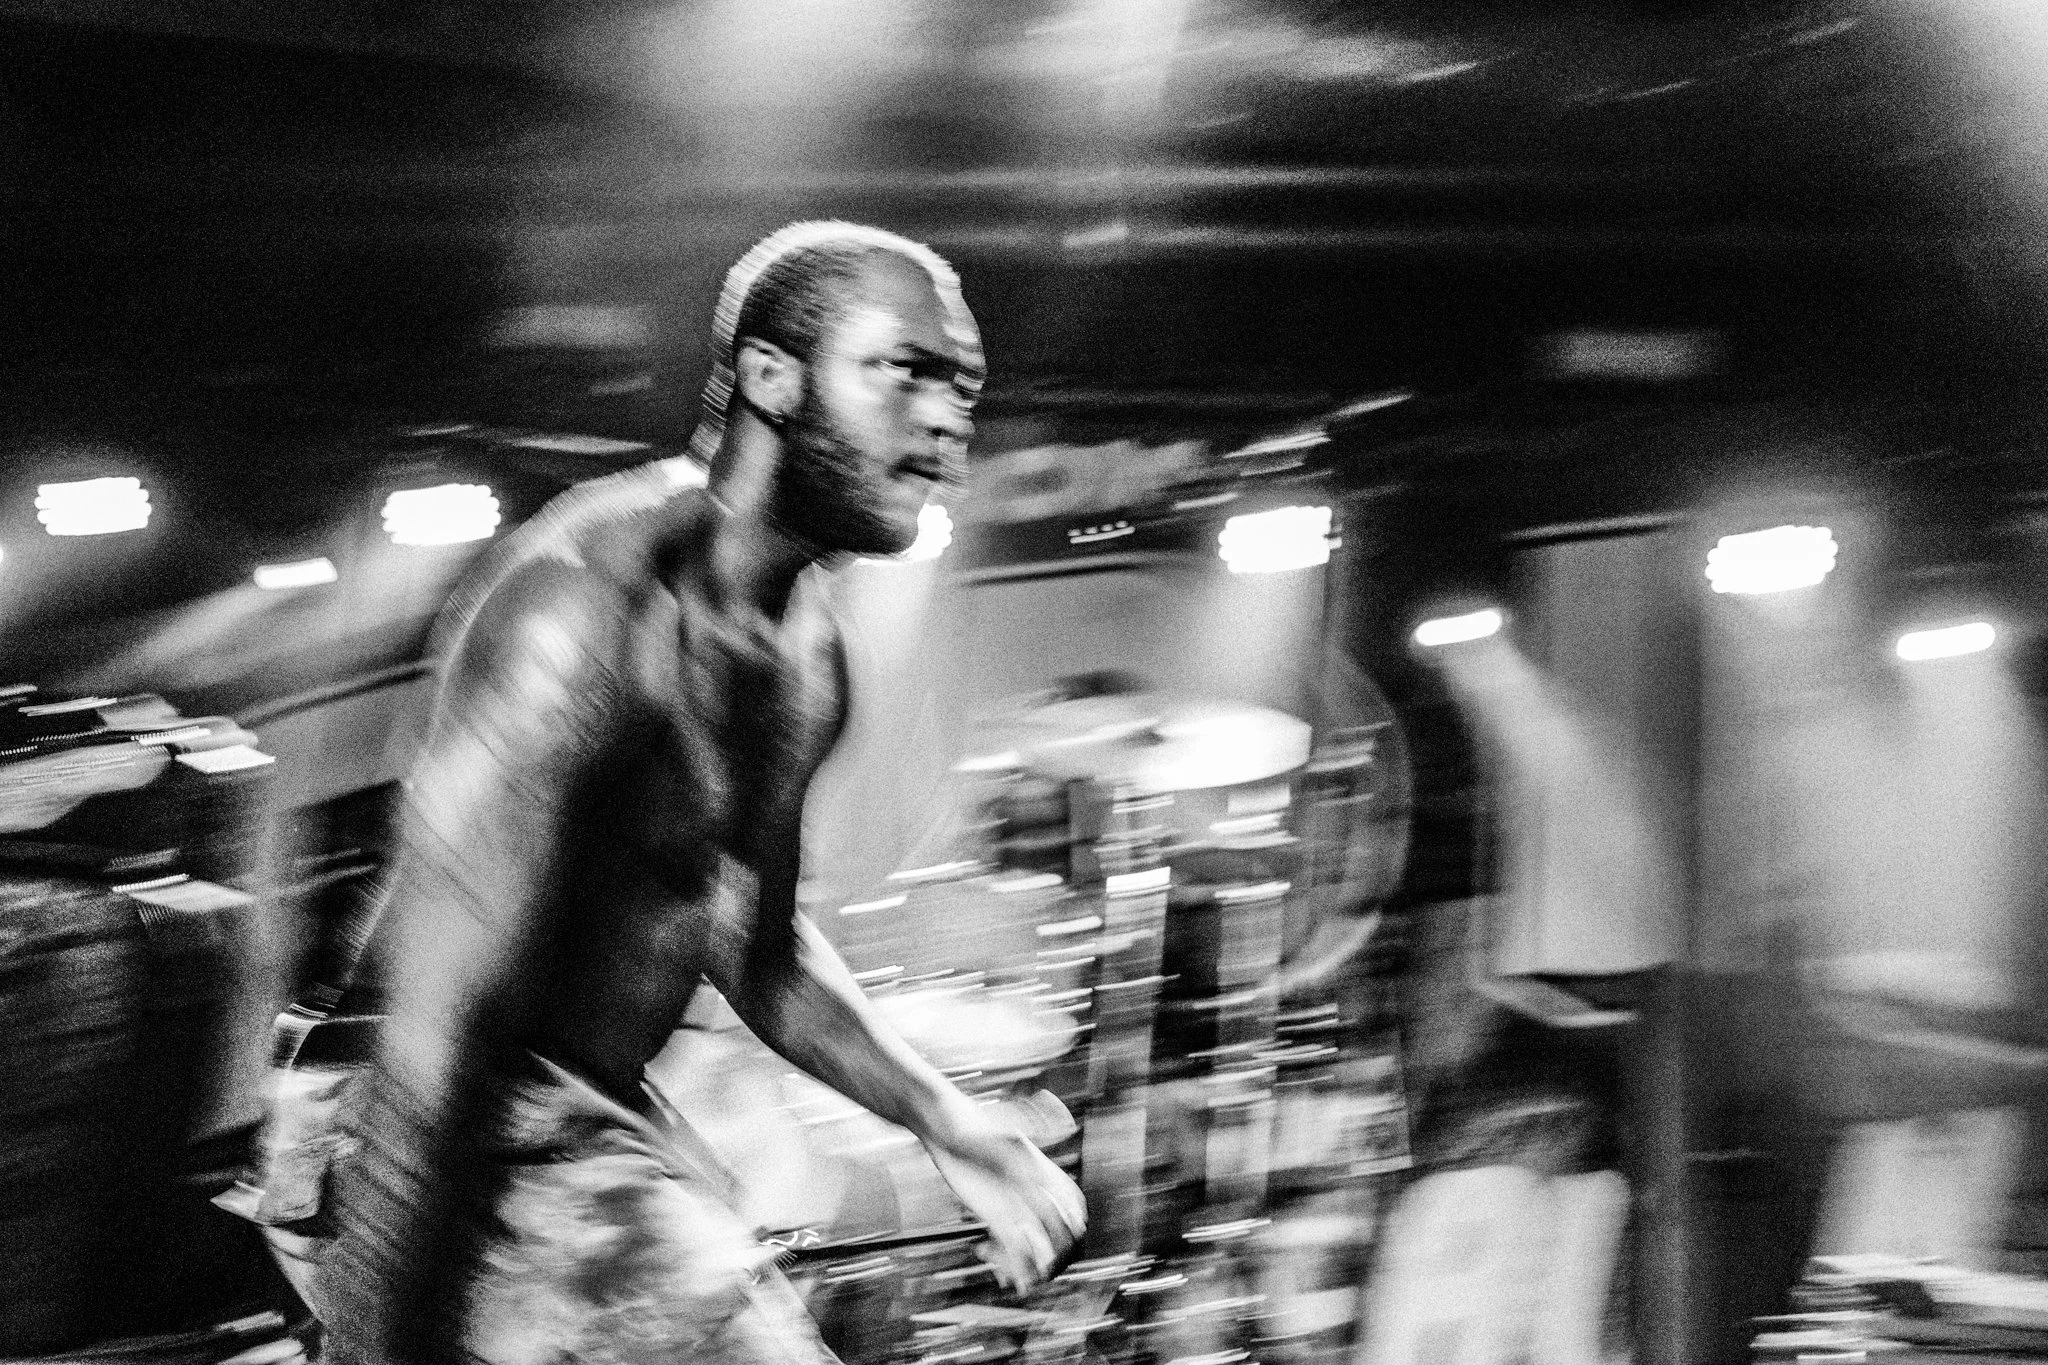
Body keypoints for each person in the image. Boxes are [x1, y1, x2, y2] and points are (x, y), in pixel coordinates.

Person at [316, 221, 1086, 1365]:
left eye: (963, 389)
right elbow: (432, 1043)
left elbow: (757, 952)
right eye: (904, 372)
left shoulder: (804, 652)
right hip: (408, 1112)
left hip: (576, 1114)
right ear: (772, 379)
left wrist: (942, 1114)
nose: (945, 422)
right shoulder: (583, 616)